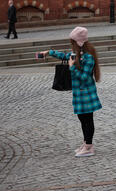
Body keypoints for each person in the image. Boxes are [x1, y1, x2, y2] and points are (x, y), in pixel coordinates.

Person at [38, 27, 102, 157]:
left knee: (87, 120)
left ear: (78, 42)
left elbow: (84, 77)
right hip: (79, 94)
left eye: (72, 41)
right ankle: (86, 143)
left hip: (86, 94)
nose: (71, 44)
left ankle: (89, 147)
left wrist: (72, 67)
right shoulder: (77, 54)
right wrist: (48, 52)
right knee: (82, 118)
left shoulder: (88, 57)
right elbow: (63, 55)